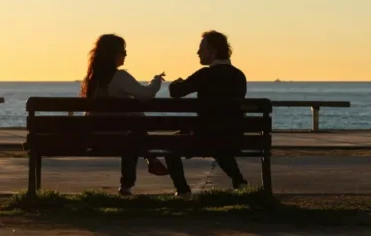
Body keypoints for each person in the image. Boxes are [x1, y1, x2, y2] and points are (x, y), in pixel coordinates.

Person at [79, 33, 169, 195]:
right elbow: (145, 94)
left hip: (95, 139)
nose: (126, 54)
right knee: (133, 133)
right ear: (113, 54)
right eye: (123, 51)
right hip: (121, 137)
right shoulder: (120, 77)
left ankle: (147, 163)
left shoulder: (91, 80)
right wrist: (156, 81)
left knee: (132, 129)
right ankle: (132, 179)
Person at [164, 30, 249, 196]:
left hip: (205, 136)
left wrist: (177, 82)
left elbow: (176, 92)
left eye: (201, 48)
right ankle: (239, 182)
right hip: (234, 136)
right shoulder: (239, 76)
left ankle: (182, 191)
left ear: (213, 51)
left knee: (170, 144)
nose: (197, 52)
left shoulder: (205, 75)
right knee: (220, 142)